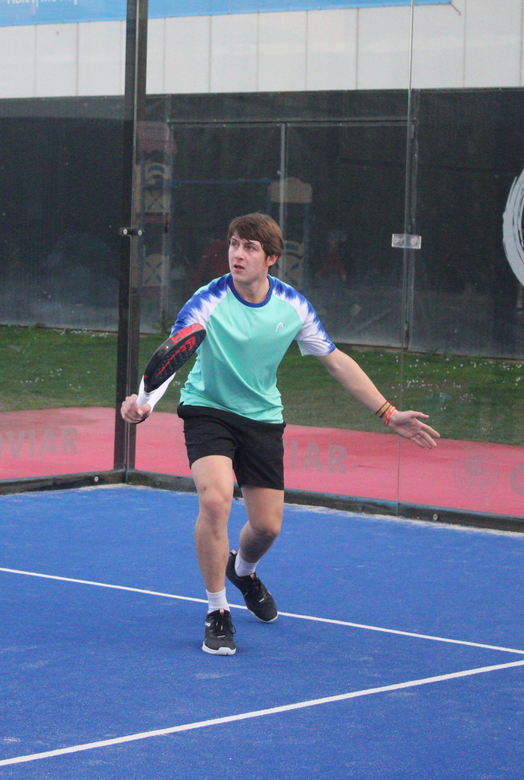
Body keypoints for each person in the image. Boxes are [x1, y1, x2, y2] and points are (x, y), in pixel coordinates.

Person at [120, 212, 439, 656]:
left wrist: (388, 413)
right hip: (208, 410)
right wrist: (144, 402)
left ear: (271, 258)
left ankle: (242, 571)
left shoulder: (293, 306)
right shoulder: (208, 299)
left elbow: (336, 362)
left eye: (249, 247)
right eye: (234, 244)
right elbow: (174, 354)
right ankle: (217, 611)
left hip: (262, 419)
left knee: (267, 527)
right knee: (215, 500)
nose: (237, 254)